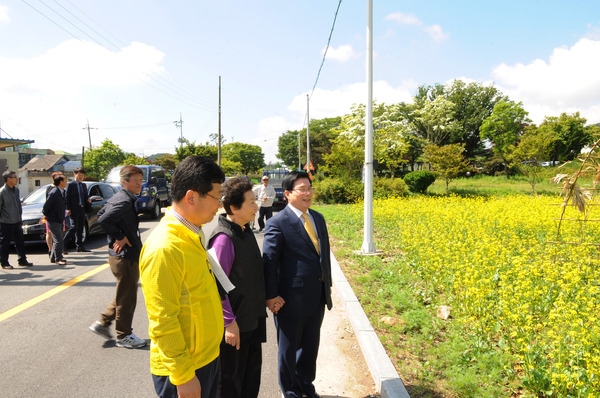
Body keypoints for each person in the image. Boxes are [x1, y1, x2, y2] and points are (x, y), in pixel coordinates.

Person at [139, 156, 225, 398]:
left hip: (204, 358)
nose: (219, 205)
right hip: (186, 369)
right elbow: (163, 320)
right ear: (191, 197)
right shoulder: (165, 247)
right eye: (216, 197)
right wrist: (183, 376)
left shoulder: (190, 234)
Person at [262, 171, 332, 398]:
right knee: (288, 349)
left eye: (310, 188)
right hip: (288, 299)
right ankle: (290, 391)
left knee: (310, 347)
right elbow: (269, 263)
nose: (308, 193)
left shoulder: (317, 218)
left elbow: (323, 255)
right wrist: (271, 296)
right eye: (303, 189)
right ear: (288, 194)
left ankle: (306, 385)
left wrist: (326, 286)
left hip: (316, 295)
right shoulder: (277, 222)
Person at [208, 176, 266, 398]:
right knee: (232, 382)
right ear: (234, 207)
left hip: (252, 319)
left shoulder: (245, 230)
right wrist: (229, 323)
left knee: (251, 378)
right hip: (236, 325)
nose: (256, 206)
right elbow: (216, 285)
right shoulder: (224, 239)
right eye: (251, 202)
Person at [88, 165, 146, 349]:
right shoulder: (124, 201)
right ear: (124, 182)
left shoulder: (119, 197)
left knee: (125, 292)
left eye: (140, 180)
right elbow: (103, 219)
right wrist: (120, 236)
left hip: (121, 256)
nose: (139, 184)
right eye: (135, 181)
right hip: (124, 256)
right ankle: (124, 335)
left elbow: (101, 213)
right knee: (127, 297)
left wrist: (121, 234)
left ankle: (103, 322)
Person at [0, 170, 33, 269]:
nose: (16, 179)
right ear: (8, 179)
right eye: (14, 177)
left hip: (17, 220)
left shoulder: (16, 190)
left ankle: (22, 260)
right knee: (5, 243)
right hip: (6, 222)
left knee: (20, 242)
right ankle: (4, 262)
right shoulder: (2, 192)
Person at [42, 172, 68, 265]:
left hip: (59, 219)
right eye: (65, 181)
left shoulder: (62, 191)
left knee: (58, 239)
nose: (66, 182)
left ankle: (53, 257)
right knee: (59, 240)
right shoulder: (54, 192)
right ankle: (58, 258)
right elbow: (46, 207)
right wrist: (48, 215)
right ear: (61, 182)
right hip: (53, 219)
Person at [64, 167, 92, 252]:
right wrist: (68, 208)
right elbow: (67, 197)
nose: (81, 177)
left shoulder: (83, 185)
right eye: (79, 175)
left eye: (82, 175)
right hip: (73, 209)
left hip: (82, 208)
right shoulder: (71, 184)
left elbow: (85, 196)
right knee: (73, 227)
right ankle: (63, 244)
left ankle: (79, 246)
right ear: (75, 175)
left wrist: (88, 200)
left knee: (80, 227)